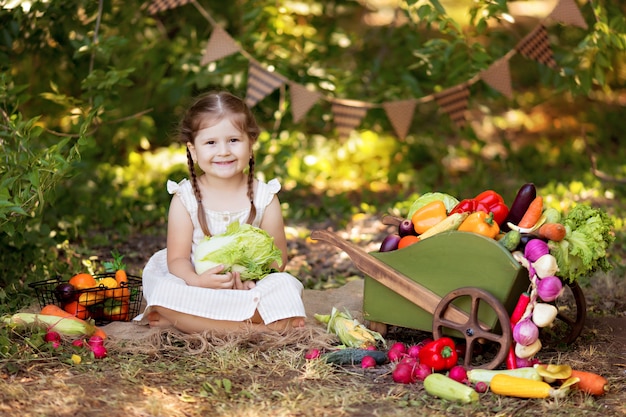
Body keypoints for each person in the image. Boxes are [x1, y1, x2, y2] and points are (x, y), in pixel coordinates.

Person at [134, 91, 306, 333]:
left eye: (234, 140)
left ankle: (185, 323)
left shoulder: (265, 197)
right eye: (211, 143)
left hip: (248, 290)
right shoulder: (186, 198)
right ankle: (265, 330)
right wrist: (198, 281)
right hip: (198, 286)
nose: (223, 151)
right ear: (193, 150)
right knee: (164, 289)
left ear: (251, 143)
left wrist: (251, 280)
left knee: (285, 287)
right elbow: (177, 259)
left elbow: (279, 260)